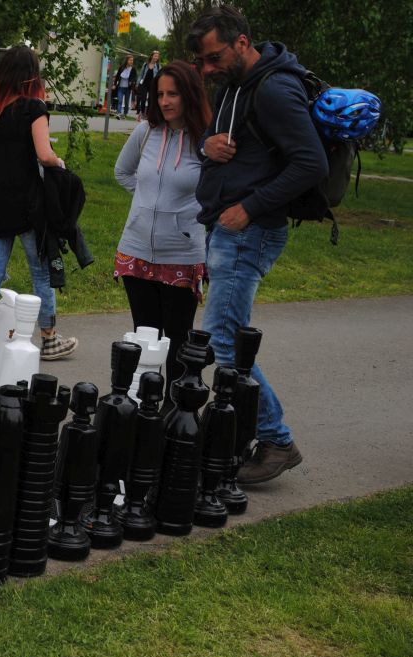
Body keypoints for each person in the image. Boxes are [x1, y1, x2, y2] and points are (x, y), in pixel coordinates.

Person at [188, 6, 327, 483]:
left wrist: (249, 207)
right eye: (204, 63)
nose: (208, 70)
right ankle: (240, 433)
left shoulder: (274, 90)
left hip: (249, 231)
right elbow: (213, 139)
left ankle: (275, 440)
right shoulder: (236, 85)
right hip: (228, 230)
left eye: (214, 57)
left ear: (242, 42)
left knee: (226, 340)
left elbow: (311, 163)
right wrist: (208, 147)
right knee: (225, 337)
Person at [0, 45, 78, 363]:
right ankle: (49, 338)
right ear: (33, 76)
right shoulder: (35, 108)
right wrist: (60, 163)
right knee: (40, 272)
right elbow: (44, 154)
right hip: (28, 202)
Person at [114, 60, 211, 402]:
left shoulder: (205, 141)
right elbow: (123, 173)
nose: (166, 101)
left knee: (177, 342)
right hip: (136, 250)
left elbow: (216, 193)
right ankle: (141, 407)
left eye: (174, 94)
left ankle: (175, 412)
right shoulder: (145, 132)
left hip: (182, 255)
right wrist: (145, 205)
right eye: (161, 94)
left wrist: (184, 217)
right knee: (144, 337)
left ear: (190, 95)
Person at [135, 50, 161, 121]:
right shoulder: (146, 64)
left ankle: (148, 115)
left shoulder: (158, 66)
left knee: (150, 100)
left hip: (152, 85)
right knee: (142, 99)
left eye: (157, 56)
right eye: (155, 56)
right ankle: (142, 113)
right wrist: (137, 84)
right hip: (144, 84)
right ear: (152, 56)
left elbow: (159, 76)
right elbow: (141, 75)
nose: (156, 57)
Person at [111, 55, 136, 119]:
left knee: (127, 102)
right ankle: (119, 113)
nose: (131, 61)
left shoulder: (133, 69)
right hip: (121, 87)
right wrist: (114, 84)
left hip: (128, 88)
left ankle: (125, 113)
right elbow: (117, 76)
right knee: (120, 100)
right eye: (130, 60)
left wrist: (132, 82)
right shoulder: (122, 67)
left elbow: (134, 77)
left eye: (132, 60)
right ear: (127, 60)